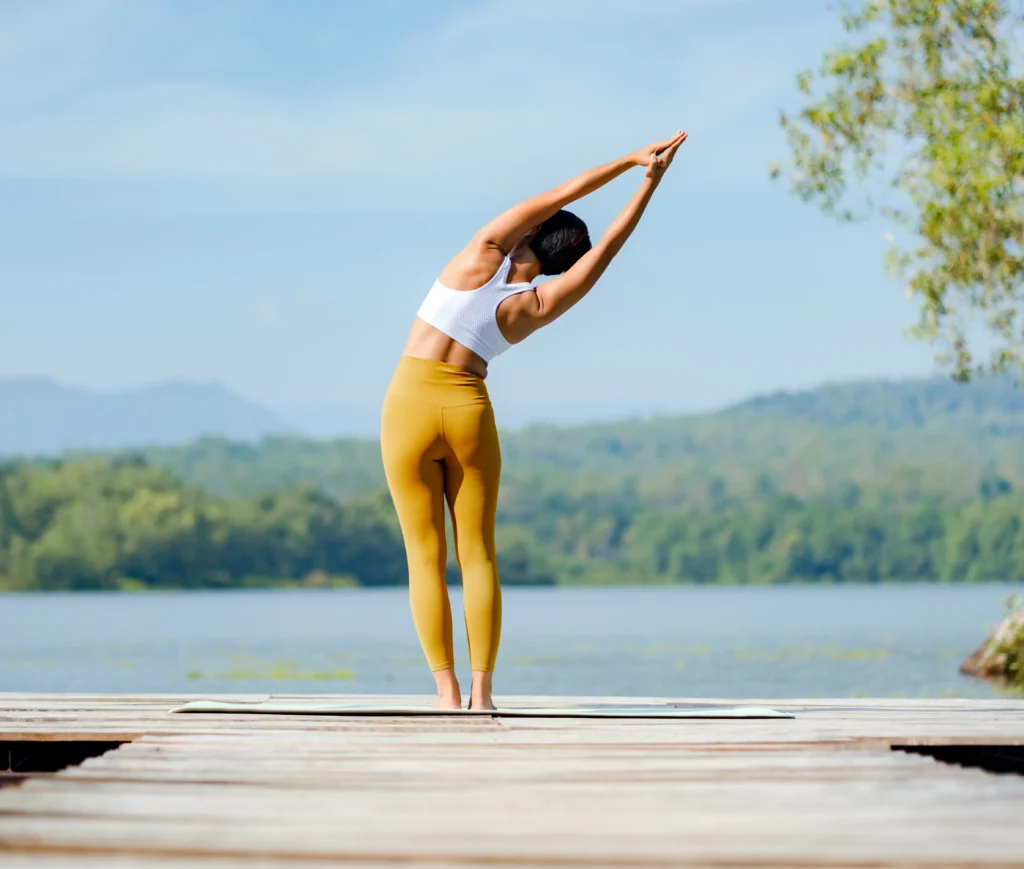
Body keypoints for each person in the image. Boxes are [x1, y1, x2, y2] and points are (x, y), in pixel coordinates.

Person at [381, 131, 688, 710]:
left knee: (425, 555)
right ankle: (482, 695)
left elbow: (562, 190)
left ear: (531, 232)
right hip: (468, 409)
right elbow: (608, 251)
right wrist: (649, 187)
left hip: (409, 406)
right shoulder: (539, 303)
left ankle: (445, 694)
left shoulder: (483, 248)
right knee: (479, 555)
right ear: (560, 262)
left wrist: (630, 161)